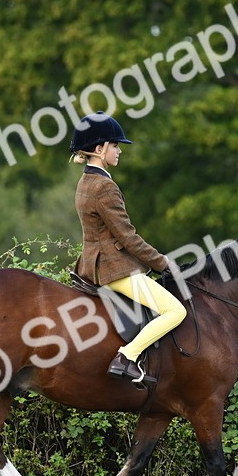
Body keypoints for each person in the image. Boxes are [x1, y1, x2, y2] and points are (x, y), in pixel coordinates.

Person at [70, 112, 186, 384]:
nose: (119, 151)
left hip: (91, 263)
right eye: (115, 145)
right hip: (113, 269)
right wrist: (164, 264)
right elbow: (129, 237)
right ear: (99, 149)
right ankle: (127, 356)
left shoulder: (86, 181)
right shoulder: (104, 187)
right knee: (175, 311)